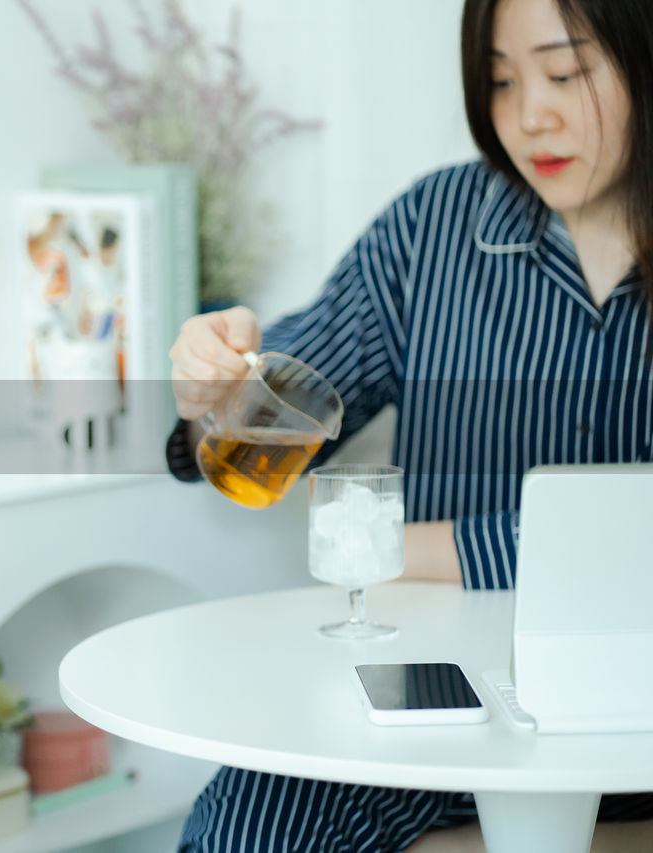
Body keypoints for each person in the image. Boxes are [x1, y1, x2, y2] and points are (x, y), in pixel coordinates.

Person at [166, 0, 653, 850]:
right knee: (247, 823)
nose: (529, 114)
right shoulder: (431, 231)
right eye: (500, 81)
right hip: (443, 717)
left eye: (565, 72)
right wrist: (209, 386)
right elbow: (276, 396)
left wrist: (415, 547)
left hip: (636, 718)